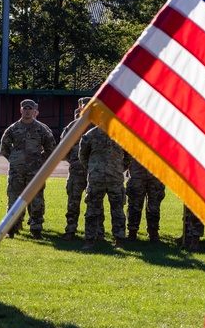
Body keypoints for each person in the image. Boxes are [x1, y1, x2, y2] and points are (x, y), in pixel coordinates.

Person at [0, 99, 56, 238]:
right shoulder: (13, 129)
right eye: (25, 108)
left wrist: (40, 161)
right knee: (14, 199)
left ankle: (36, 228)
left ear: (34, 111)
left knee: (36, 199)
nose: (27, 111)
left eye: (30, 109)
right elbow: (4, 147)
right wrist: (14, 159)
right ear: (21, 110)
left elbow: (51, 147)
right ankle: (12, 228)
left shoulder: (41, 129)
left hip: (35, 172)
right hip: (16, 172)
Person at [79, 121, 132, 249]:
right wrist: (93, 169)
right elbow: (82, 156)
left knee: (118, 211)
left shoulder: (122, 134)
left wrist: (119, 169)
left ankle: (119, 240)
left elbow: (129, 156)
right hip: (96, 180)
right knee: (92, 212)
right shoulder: (90, 135)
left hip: (115, 180)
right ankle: (90, 240)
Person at [61, 97, 91, 241]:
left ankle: (96, 232)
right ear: (80, 108)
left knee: (94, 203)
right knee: (73, 201)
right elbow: (63, 149)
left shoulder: (100, 126)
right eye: (84, 107)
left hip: (94, 172)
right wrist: (74, 161)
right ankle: (71, 229)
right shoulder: (71, 127)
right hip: (76, 171)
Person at [127, 158, 165, 243]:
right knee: (134, 205)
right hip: (137, 175)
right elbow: (126, 154)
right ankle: (132, 233)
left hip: (156, 175)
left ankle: (153, 233)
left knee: (154, 207)